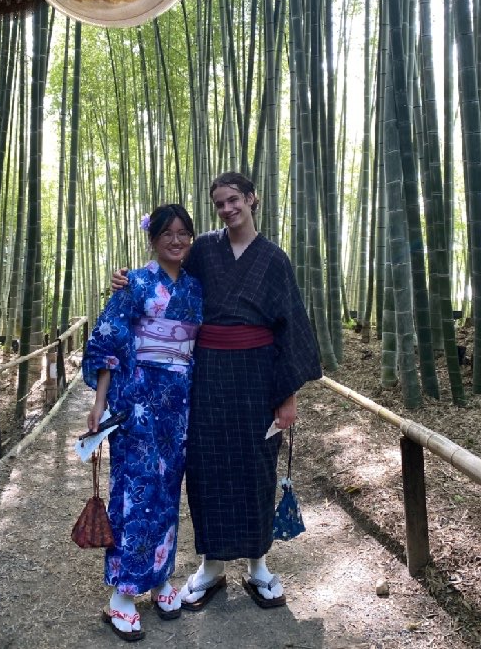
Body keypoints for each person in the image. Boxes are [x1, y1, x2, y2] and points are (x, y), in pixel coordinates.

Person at [110, 172, 322, 613]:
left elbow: (291, 328)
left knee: (255, 465)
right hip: (206, 374)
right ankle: (210, 565)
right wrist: (127, 281)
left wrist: (288, 394)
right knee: (207, 466)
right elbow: (166, 281)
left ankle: (258, 563)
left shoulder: (275, 260)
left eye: (233, 200)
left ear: (251, 199)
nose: (227, 209)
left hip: (258, 377)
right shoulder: (204, 248)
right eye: (219, 204)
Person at [82, 203, 203, 642]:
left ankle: (160, 578)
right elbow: (108, 343)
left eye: (183, 233)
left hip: (178, 405)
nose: (176, 241)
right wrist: (99, 403)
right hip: (136, 401)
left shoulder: (195, 288)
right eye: (168, 234)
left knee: (169, 491)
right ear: (152, 239)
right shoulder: (133, 284)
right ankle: (122, 596)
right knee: (134, 493)